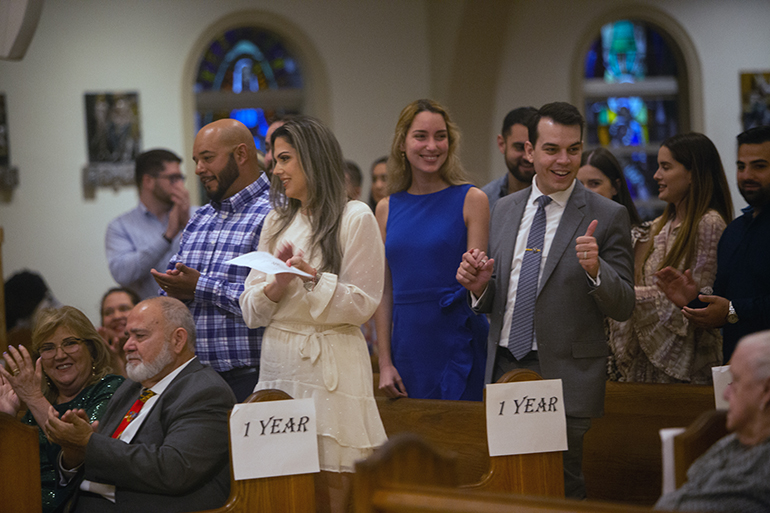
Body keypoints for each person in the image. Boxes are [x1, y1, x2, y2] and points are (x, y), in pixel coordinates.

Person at [457, 102, 635, 498]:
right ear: (529, 151)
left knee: (561, 485)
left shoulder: (606, 215)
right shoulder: (503, 210)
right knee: (507, 484)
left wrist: (596, 271)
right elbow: (498, 299)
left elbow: (624, 305)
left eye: (573, 150)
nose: (564, 160)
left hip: (564, 373)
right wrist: (480, 287)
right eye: (552, 149)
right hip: (504, 366)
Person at [239, 116, 386, 513]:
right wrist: (277, 284)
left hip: (332, 359)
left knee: (335, 480)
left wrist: (313, 278)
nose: (276, 169)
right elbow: (250, 310)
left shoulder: (356, 216)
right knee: (284, 480)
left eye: (285, 159)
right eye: (275, 159)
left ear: (312, 158)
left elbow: (363, 302)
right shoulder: (277, 220)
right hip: (281, 359)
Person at [44, 297, 235, 513]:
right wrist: (75, 454)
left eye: (140, 336)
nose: (127, 346)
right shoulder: (130, 388)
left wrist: (89, 443)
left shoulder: (205, 391)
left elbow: (173, 470)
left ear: (178, 340)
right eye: (128, 336)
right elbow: (101, 457)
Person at [375, 99, 490, 401]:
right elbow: (384, 291)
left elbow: (477, 279)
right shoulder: (386, 209)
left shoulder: (472, 199)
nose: (432, 146)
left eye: (440, 136)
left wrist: (475, 277)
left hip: (456, 335)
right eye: (421, 136)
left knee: (461, 440)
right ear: (402, 143)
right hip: (407, 342)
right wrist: (384, 362)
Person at [151, 118, 271, 402]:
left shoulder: (275, 214)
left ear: (241, 155)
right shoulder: (199, 219)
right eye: (196, 160)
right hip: (199, 380)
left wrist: (199, 287)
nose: (198, 170)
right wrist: (170, 290)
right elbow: (179, 293)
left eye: (207, 158)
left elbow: (270, 303)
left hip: (255, 378)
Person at [610, 132, 733, 384]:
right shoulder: (659, 224)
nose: (656, 175)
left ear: (692, 174)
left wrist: (624, 296)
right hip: (649, 367)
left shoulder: (708, 223)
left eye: (666, 167)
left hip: (689, 367)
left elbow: (699, 304)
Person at [657, 126, 770, 362]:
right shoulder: (735, 231)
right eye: (741, 166)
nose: (747, 175)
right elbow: (721, 303)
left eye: (759, 166)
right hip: (739, 373)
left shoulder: (715, 223)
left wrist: (732, 310)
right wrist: (693, 299)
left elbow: (731, 308)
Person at [0, 306, 124, 513]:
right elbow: (15, 470)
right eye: (48, 348)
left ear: (91, 349)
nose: (59, 355)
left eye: (70, 343)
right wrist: (6, 418)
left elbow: (79, 461)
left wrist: (33, 397)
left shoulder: (111, 388)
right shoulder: (37, 405)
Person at [655, 330, 770, 512]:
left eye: (736, 382)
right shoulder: (732, 442)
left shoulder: (760, 467)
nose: (726, 393)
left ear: (766, 391)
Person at [579, 147, 651, 380]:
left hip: (628, 352)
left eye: (594, 183)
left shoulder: (639, 237)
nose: (585, 192)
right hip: (579, 352)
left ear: (616, 187)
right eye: (579, 185)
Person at [105, 149, 193, 300]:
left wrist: (188, 226)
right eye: (173, 178)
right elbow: (122, 275)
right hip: (149, 318)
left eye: (180, 178)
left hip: (194, 315)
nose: (180, 185)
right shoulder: (120, 227)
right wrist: (167, 237)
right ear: (148, 181)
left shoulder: (197, 215)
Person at [481, 106, 538, 211]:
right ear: (502, 144)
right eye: (519, 148)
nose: (527, 157)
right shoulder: (485, 200)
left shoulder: (558, 198)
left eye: (532, 149)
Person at [98, 287, 140, 377]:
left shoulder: (153, 353)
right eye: (108, 312)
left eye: (124, 309)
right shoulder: (96, 361)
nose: (116, 316)